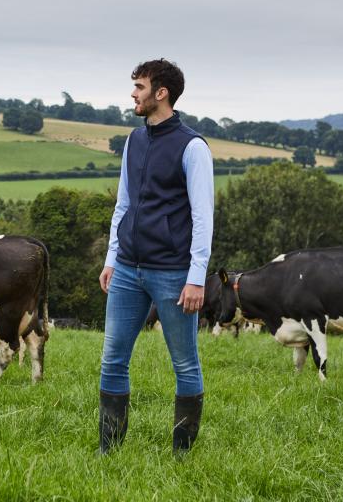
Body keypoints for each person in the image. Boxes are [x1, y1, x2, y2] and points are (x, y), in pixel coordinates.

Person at [97, 58, 213, 454]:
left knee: (185, 364)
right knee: (112, 360)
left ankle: (182, 455)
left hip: (173, 273)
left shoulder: (193, 147)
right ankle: (108, 451)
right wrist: (113, 257)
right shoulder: (134, 139)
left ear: (161, 93)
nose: (133, 94)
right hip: (128, 268)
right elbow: (123, 205)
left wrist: (196, 276)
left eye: (140, 87)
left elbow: (203, 217)